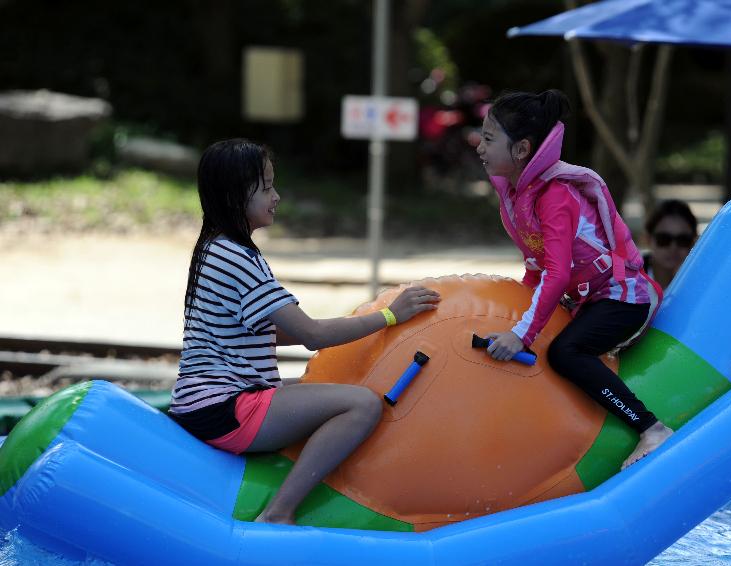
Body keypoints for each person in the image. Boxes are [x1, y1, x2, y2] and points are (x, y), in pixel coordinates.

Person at [168, 139, 440, 525]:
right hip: (225, 408)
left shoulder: (216, 248)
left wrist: (349, 329)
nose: (276, 196)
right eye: (265, 187)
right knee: (362, 404)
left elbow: (267, 335)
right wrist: (390, 317)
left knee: (327, 381)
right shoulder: (236, 257)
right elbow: (311, 333)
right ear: (234, 194)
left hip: (210, 402)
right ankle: (279, 512)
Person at [476, 90, 672, 470]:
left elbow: (558, 272)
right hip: (588, 300)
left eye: (488, 138)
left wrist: (522, 334)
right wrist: (516, 318)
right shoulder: (518, 195)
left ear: (521, 150)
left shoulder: (555, 194)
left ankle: (651, 428)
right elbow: (536, 266)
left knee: (565, 353)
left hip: (623, 299)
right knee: (539, 344)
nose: (479, 147)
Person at [643, 199, 697, 290]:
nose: (673, 248)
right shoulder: (626, 279)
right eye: (664, 239)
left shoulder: (700, 282)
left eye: (682, 240)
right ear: (648, 239)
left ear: (693, 242)